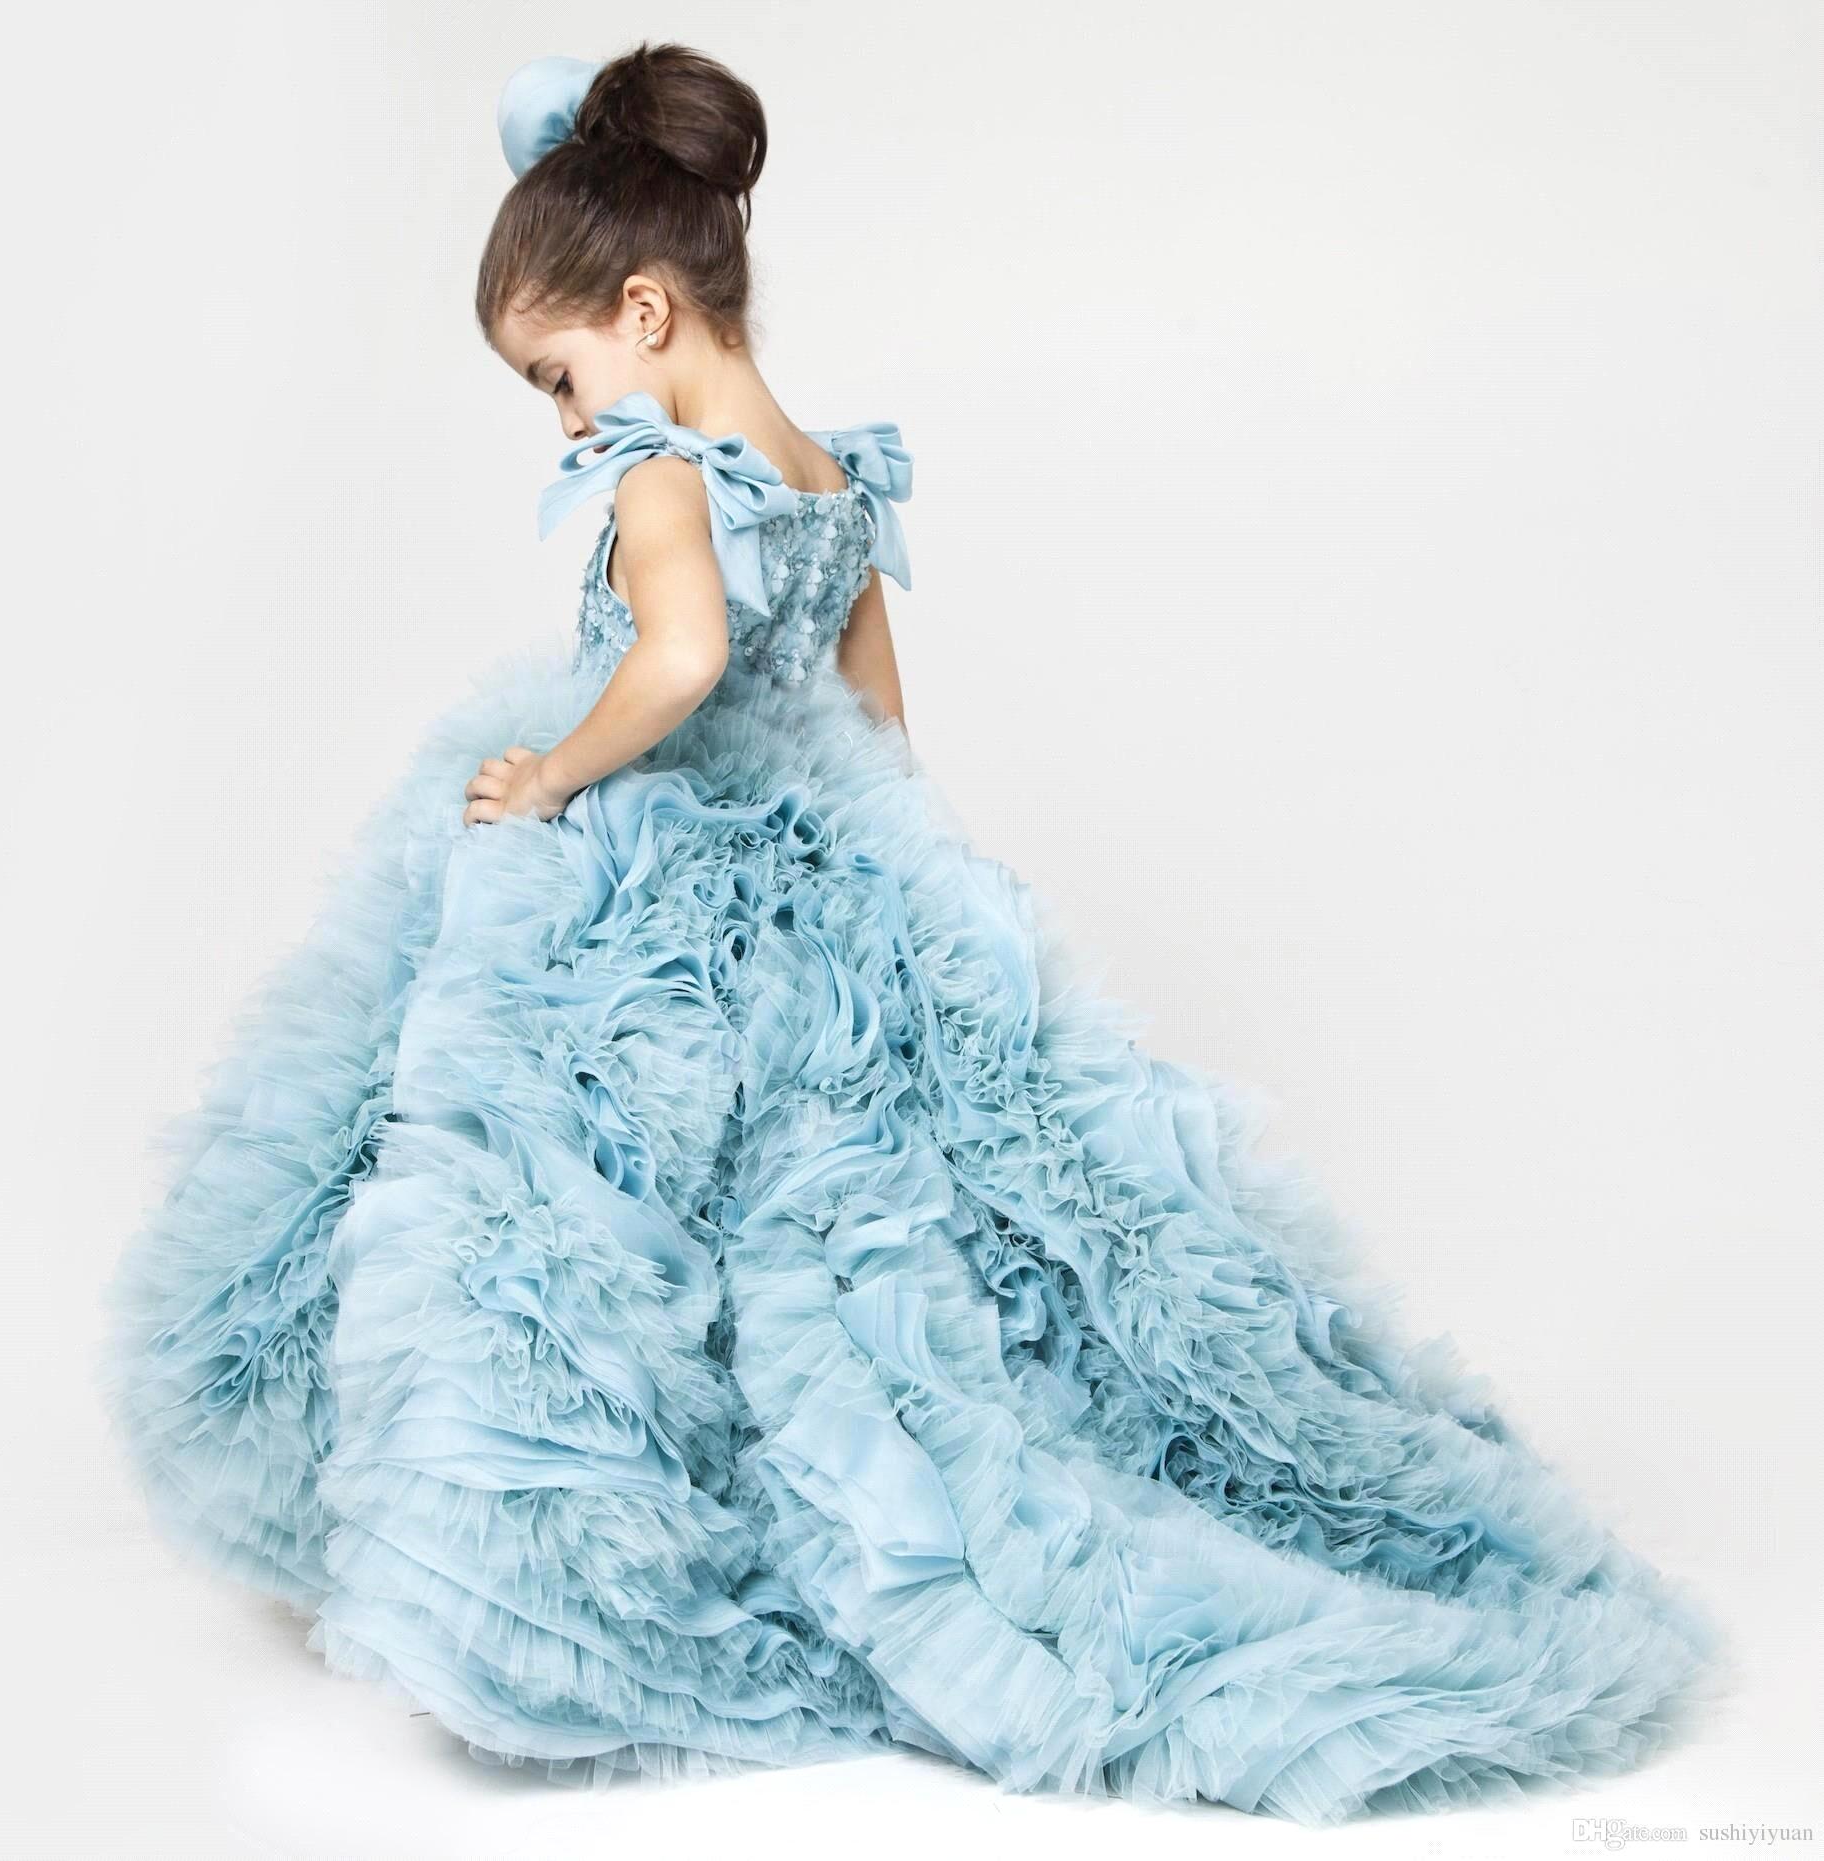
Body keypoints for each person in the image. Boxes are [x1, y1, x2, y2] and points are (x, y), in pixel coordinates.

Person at [97, 39, 1732, 1827]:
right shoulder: (830, 478)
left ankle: (570, 1554)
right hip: (820, 875)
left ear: (642, 311)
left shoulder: (658, 470)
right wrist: (903, 898)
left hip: (664, 871)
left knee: (569, 1201)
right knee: (815, 1217)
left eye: (557, 378)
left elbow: (681, 659)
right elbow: (876, 726)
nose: (567, 423)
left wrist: (553, 773)